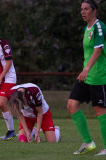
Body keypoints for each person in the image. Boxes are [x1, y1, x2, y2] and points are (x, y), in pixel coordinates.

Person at [67, 0, 106, 156]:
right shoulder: (86, 28)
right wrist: (85, 70)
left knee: (100, 110)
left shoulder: (99, 26)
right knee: (71, 105)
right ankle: (88, 142)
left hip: (97, 76)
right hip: (86, 75)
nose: (83, 12)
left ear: (94, 10)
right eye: (81, 9)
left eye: (86, 9)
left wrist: (87, 69)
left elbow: (98, 50)